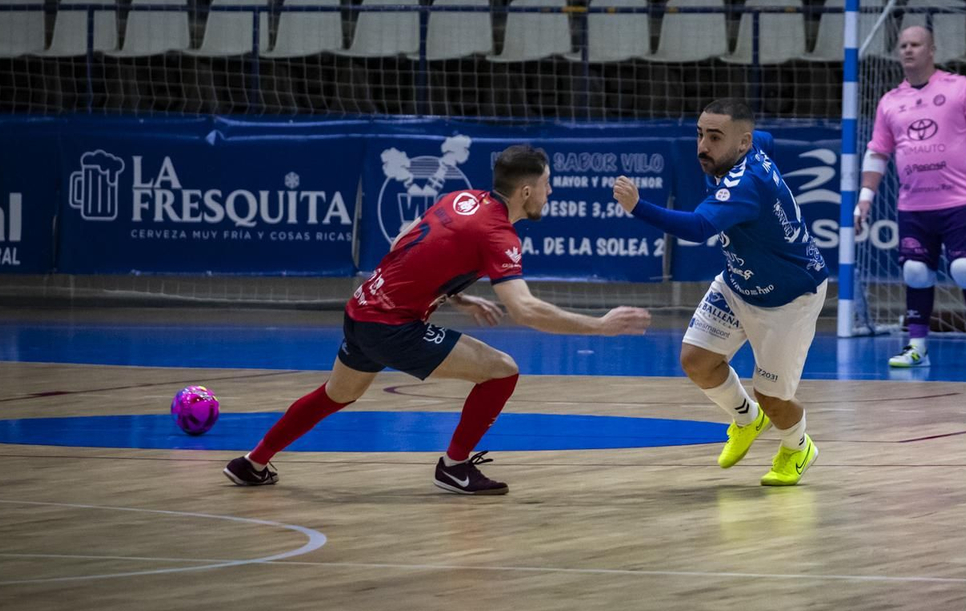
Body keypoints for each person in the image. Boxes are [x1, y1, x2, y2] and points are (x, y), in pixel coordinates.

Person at [224, 146, 650, 495]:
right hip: (393, 326)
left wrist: (458, 296)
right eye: (546, 185)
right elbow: (526, 310)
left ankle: (252, 463)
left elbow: (405, 243)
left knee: (336, 394)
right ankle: (455, 466)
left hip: (361, 308)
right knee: (502, 371)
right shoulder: (498, 234)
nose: (549, 192)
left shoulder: (460, 200)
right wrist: (600, 325)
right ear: (524, 191)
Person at [612, 100, 830, 487]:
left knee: (773, 398)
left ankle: (798, 447)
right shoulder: (752, 145)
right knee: (696, 360)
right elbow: (768, 138)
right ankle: (746, 419)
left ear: (742, 143)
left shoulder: (744, 184)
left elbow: (697, 228)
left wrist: (637, 206)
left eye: (714, 137)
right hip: (738, 282)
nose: (702, 146)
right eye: (699, 134)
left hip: (789, 299)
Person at [856, 26, 966, 371]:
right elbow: (877, 152)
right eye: (903, 45)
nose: (908, 50)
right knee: (914, 271)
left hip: (960, 201)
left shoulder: (959, 88)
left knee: (964, 268)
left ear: (931, 50)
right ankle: (917, 348)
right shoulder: (890, 101)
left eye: (916, 44)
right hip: (914, 205)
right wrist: (865, 197)